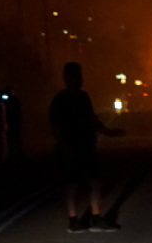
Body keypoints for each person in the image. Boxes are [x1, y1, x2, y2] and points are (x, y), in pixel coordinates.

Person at [50, 62, 125, 233]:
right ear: (67, 78)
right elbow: (55, 125)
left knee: (96, 181)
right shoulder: (60, 99)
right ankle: (73, 219)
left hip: (87, 146)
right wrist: (65, 148)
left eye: (80, 75)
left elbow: (92, 119)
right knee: (72, 184)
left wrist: (108, 132)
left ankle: (96, 218)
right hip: (70, 147)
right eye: (75, 75)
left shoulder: (84, 97)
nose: (79, 79)